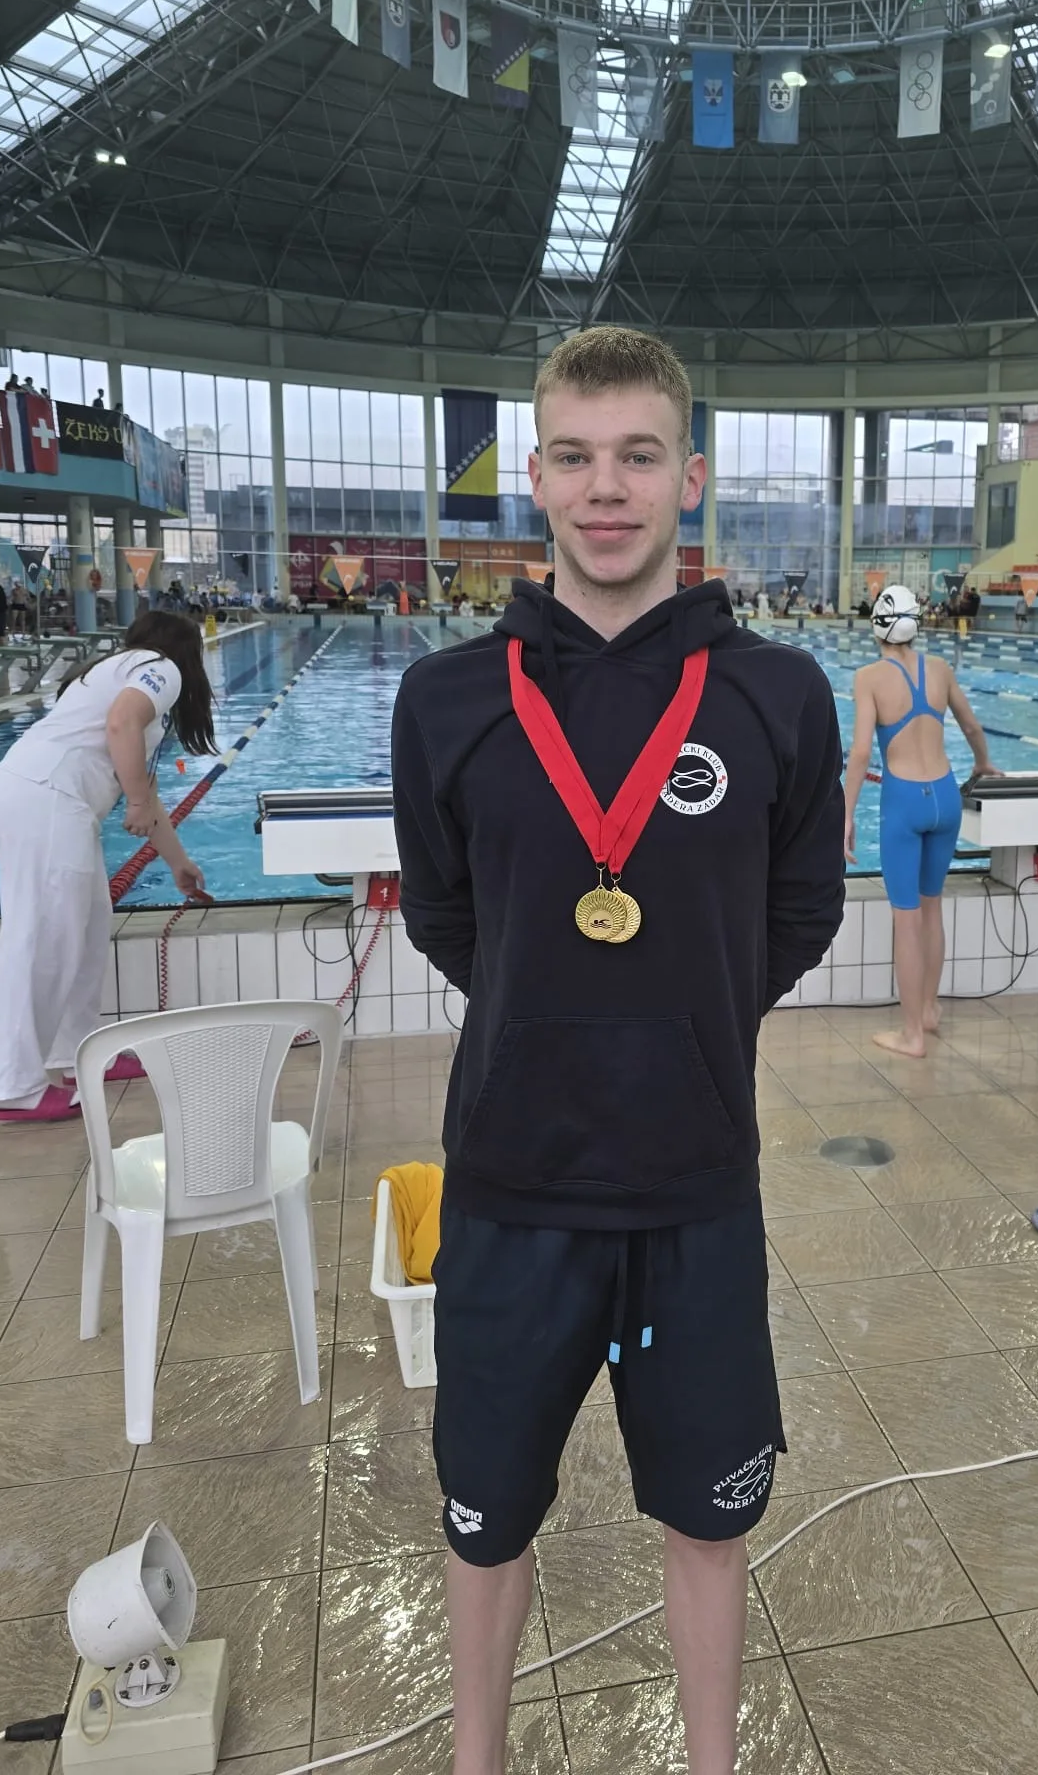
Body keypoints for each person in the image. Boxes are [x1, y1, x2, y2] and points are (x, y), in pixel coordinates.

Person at [391, 326, 844, 1775]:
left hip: (697, 1184)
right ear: (535, 477)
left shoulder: (778, 693)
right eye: (578, 458)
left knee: (710, 1524)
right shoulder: (448, 698)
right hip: (511, 1182)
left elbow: (801, 909)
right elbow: (445, 914)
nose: (608, 488)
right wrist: (549, 1013)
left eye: (638, 456)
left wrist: (689, 1025)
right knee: (485, 1525)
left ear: (687, 477)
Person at [0, 611, 215, 1122]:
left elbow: (144, 785)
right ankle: (14, 1086)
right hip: (45, 799)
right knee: (43, 939)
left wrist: (178, 862)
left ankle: (77, 1055)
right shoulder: (160, 667)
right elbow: (120, 725)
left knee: (84, 930)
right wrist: (134, 802)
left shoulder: (119, 671)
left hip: (42, 798)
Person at [843, 585, 998, 1059]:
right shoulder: (940, 669)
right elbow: (971, 725)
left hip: (905, 802)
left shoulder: (869, 678)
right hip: (945, 798)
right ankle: (928, 1010)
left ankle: (911, 1035)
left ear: (876, 627)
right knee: (933, 908)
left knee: (906, 918)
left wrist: (845, 813)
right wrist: (982, 763)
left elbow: (861, 752)